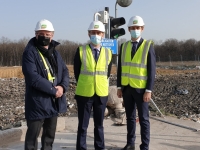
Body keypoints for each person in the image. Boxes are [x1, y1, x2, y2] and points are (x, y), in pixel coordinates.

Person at [22, 19, 69, 150]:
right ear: (36, 34)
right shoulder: (29, 52)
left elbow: (64, 70)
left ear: (52, 35)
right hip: (37, 102)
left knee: (49, 138)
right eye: (41, 33)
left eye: (47, 34)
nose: (44, 36)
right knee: (32, 139)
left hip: (53, 102)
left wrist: (63, 87)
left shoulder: (55, 52)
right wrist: (53, 90)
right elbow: (33, 78)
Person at [117, 16, 156, 150]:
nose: (135, 30)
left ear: (142, 29)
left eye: (137, 28)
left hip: (141, 90)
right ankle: (130, 143)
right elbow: (120, 68)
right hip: (127, 88)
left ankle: (144, 146)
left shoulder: (147, 46)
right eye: (133, 28)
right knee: (130, 118)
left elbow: (151, 70)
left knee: (144, 119)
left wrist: (149, 90)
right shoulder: (124, 46)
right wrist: (119, 87)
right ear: (128, 29)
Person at [73, 20, 112, 150]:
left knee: (99, 125)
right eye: (93, 32)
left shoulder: (108, 52)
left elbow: (107, 73)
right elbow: (77, 73)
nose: (96, 35)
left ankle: (100, 147)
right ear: (89, 34)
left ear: (103, 34)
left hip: (101, 93)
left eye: (99, 32)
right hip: (85, 93)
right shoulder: (80, 50)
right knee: (83, 125)